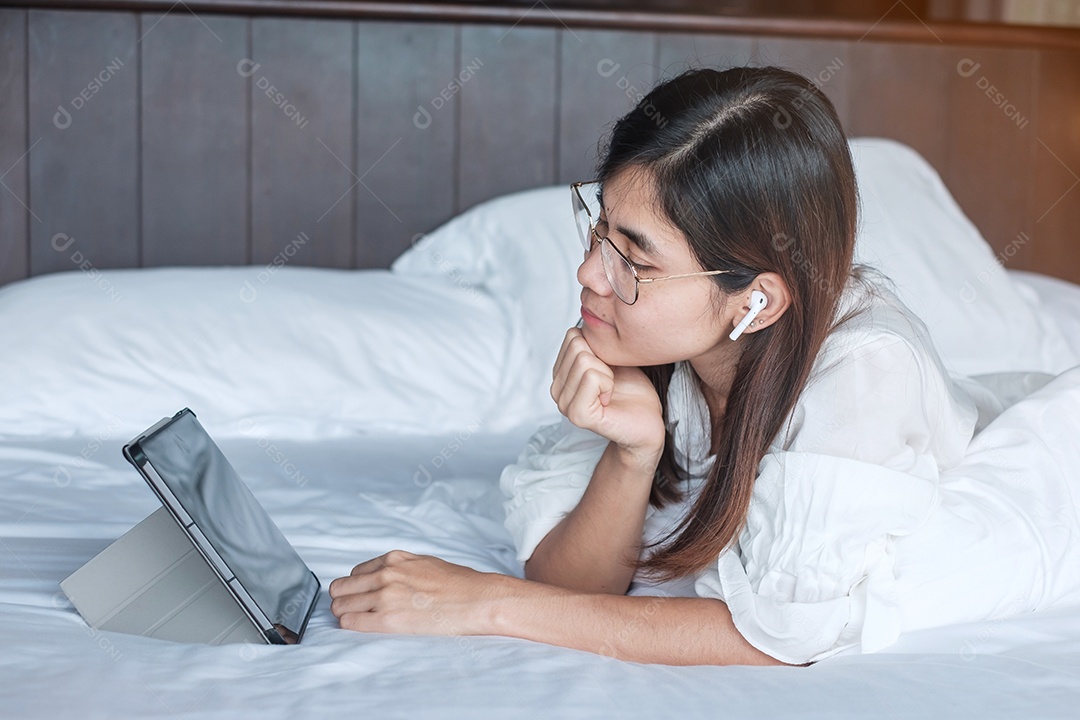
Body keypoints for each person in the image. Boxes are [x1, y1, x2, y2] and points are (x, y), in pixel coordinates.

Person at [329, 66, 1080, 666]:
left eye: (634, 260)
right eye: (599, 230)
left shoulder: (867, 371)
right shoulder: (652, 344)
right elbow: (572, 582)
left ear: (755, 302)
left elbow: (781, 639)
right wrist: (634, 453)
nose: (592, 274)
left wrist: (483, 604)